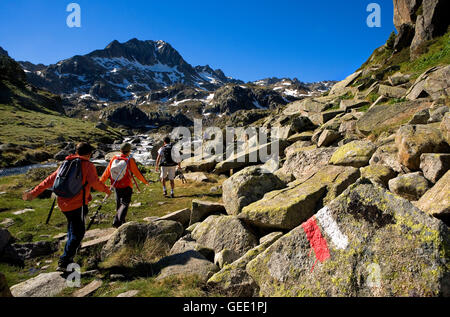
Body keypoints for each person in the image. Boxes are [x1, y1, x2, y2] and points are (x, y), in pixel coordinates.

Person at [23, 143, 111, 272]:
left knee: (72, 226)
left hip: (63, 204)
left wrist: (33, 193)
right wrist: (107, 190)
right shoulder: (87, 165)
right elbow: (95, 183)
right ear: (89, 154)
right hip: (78, 204)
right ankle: (65, 261)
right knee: (78, 233)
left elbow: (49, 180)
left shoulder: (66, 163)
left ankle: (71, 248)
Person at [100, 143, 149, 228]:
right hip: (126, 185)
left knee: (119, 203)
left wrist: (100, 182)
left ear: (120, 150)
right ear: (129, 151)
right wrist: (145, 182)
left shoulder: (114, 158)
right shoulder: (129, 160)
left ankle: (118, 221)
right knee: (125, 204)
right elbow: (137, 172)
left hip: (116, 185)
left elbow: (107, 172)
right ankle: (118, 222)